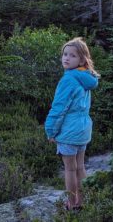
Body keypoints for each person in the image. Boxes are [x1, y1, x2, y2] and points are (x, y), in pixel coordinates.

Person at [45, 37, 99, 212]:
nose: (66, 58)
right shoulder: (86, 77)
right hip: (83, 129)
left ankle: (72, 203)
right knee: (80, 166)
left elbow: (59, 109)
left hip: (69, 130)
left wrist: (51, 130)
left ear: (82, 60)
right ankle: (83, 200)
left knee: (69, 169)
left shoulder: (68, 79)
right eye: (65, 54)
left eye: (72, 55)